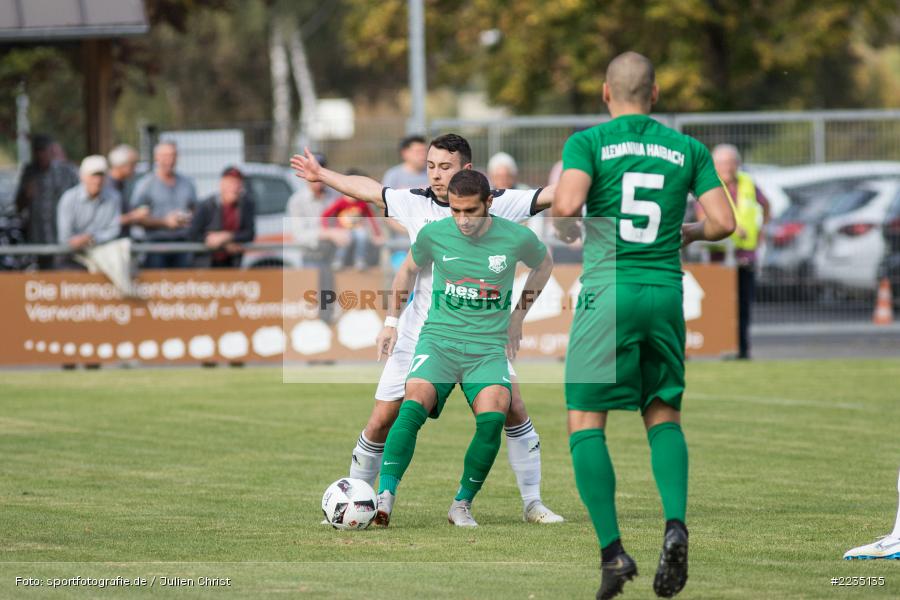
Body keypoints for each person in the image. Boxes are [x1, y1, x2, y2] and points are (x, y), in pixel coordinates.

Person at [291, 133, 564, 524]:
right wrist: (322, 174)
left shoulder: (496, 202)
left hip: (481, 337)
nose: (436, 175)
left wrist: (597, 175)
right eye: (431, 166)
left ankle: (531, 502)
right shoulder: (414, 202)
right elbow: (370, 191)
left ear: (467, 172)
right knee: (383, 418)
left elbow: (550, 196)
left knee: (512, 409)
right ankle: (359, 503)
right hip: (423, 335)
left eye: (445, 167)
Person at [552, 51, 735, 600]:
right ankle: (675, 525)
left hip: (609, 288)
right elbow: (725, 222)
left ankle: (613, 554)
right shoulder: (688, 148)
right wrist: (689, 234)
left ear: (606, 93)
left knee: (585, 419)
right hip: (665, 290)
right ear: (654, 95)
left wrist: (566, 231)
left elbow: (566, 205)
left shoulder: (588, 142)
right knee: (663, 414)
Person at [373, 169, 553, 527]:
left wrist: (518, 316)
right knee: (412, 407)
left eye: (470, 211)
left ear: (489, 203)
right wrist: (391, 321)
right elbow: (407, 271)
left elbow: (544, 264)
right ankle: (384, 497)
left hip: (486, 348)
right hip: (438, 341)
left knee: (494, 417)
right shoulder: (434, 234)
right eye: (455, 210)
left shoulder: (516, 236)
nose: (462, 220)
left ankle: (461, 505)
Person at [711, 144, 770, 360]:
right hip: (717, 257)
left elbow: (766, 206)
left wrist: (762, 230)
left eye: (731, 162)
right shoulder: (709, 185)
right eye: (723, 163)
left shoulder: (748, 183)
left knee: (743, 305)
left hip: (745, 256)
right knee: (721, 306)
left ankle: (743, 350)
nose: (728, 167)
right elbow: (701, 216)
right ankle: (722, 346)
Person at [287, 152, 346, 322]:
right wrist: (327, 233)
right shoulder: (297, 201)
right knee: (316, 302)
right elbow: (299, 235)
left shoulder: (336, 197)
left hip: (336, 256)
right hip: (311, 257)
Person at [14, 134, 78, 269]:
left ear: (51, 151)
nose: (41, 155)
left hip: (62, 235)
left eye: (44, 150)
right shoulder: (29, 172)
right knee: (44, 277)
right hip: (38, 237)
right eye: (37, 151)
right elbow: (18, 206)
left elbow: (79, 198)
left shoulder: (65, 171)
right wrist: (26, 194)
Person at [130, 141, 197, 268]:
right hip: (155, 245)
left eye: (172, 155)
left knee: (183, 285)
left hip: (183, 243)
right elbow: (137, 218)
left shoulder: (188, 183)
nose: (169, 160)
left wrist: (186, 218)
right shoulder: (145, 185)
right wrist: (164, 222)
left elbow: (194, 210)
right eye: (165, 156)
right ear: (157, 158)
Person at [56, 155, 121, 269]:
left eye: (101, 176)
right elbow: (65, 237)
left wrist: (92, 238)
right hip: (73, 257)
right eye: (93, 176)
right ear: (83, 176)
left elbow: (114, 229)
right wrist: (78, 241)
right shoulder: (69, 198)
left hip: (105, 257)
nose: (98, 180)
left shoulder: (114, 197)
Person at [189, 166, 256, 268]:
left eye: (237, 183)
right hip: (206, 265)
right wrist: (212, 241)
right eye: (231, 183)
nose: (234, 188)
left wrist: (227, 236)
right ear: (222, 184)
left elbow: (249, 233)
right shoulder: (206, 205)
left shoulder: (246, 205)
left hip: (232, 264)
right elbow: (192, 233)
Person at [320, 189, 384, 271]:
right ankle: (339, 259)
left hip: (357, 228)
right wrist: (327, 229)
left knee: (362, 235)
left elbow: (372, 218)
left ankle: (359, 260)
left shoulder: (362, 203)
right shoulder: (341, 202)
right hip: (344, 229)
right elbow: (325, 215)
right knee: (345, 237)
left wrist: (377, 233)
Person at [106, 144, 147, 239]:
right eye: (132, 164)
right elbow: (109, 220)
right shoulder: (108, 187)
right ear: (121, 165)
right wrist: (135, 216)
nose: (135, 168)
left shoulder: (122, 184)